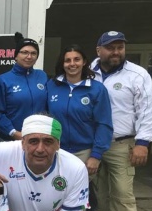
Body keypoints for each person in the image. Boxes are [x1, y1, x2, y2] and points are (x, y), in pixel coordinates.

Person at [86, 31, 152, 211]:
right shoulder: (88, 72)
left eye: (120, 47)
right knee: (98, 193)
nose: (116, 52)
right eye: (110, 47)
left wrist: (142, 143)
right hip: (94, 144)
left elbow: (147, 110)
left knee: (122, 194)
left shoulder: (137, 75)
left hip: (122, 143)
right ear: (99, 50)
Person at [46, 45, 113, 175]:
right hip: (56, 150)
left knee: (80, 193)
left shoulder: (97, 89)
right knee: (56, 190)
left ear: (84, 62)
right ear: (62, 63)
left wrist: (96, 155)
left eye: (77, 59)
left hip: (84, 152)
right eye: (67, 60)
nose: (72, 64)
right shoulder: (51, 86)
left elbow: (103, 124)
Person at [0, 33, 48, 141]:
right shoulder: (3, 80)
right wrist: (14, 133)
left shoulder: (42, 76)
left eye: (33, 53)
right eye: (24, 52)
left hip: (39, 139)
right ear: (16, 56)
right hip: (12, 140)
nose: (29, 56)